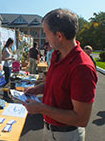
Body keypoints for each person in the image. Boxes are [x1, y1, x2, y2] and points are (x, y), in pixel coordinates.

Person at [24, 9, 98, 141]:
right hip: (49, 129)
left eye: (46, 33)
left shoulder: (82, 68)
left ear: (59, 36)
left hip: (67, 135)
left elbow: (81, 119)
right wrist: (38, 89)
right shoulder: (57, 54)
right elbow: (55, 83)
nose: (46, 38)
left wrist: (41, 108)